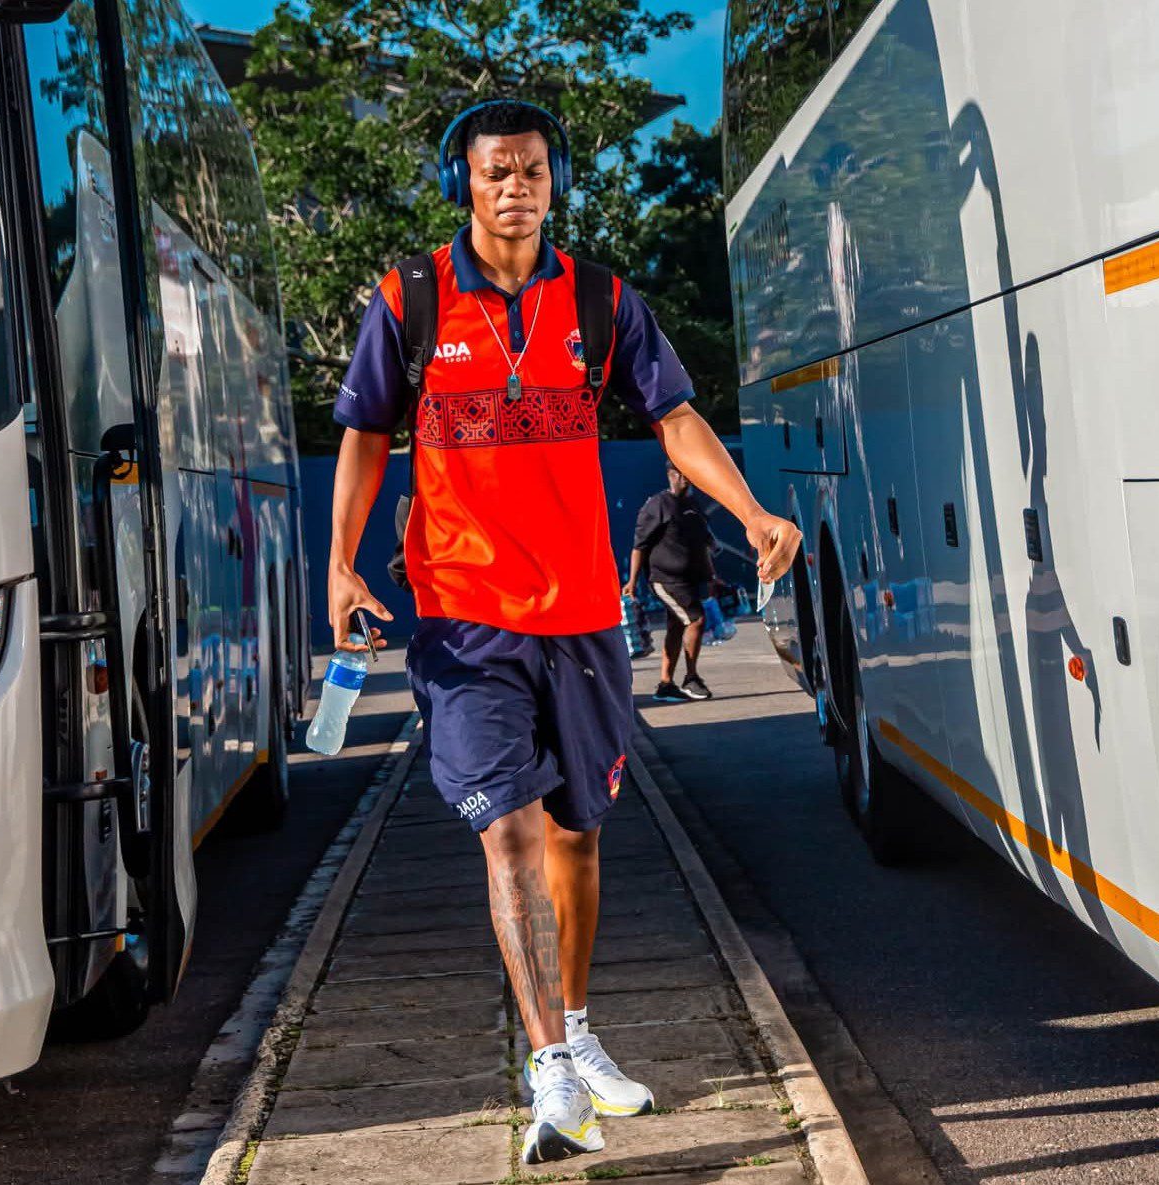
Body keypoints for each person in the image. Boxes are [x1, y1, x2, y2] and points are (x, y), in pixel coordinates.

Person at [324, 99, 802, 1166]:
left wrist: (753, 512)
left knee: (579, 836)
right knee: (510, 831)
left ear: (555, 182)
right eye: (495, 170)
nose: (515, 186)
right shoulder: (410, 300)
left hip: (581, 610)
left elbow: (673, 416)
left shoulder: (601, 298)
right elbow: (361, 434)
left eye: (533, 170)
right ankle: (547, 1066)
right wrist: (341, 562)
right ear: (463, 184)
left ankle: (577, 1031)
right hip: (463, 613)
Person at [623, 463, 716, 702]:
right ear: (669, 475)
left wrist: (712, 576)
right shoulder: (658, 505)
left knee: (677, 626)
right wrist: (632, 581)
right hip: (665, 579)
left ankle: (666, 684)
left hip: (689, 580)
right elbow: (639, 546)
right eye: (678, 473)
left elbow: (704, 544)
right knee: (696, 619)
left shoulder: (693, 506)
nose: (684, 478)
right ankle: (691, 678)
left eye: (688, 473)